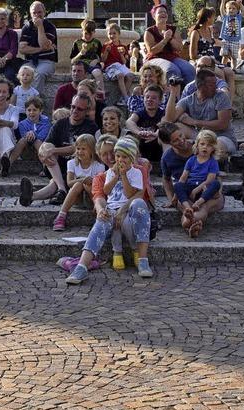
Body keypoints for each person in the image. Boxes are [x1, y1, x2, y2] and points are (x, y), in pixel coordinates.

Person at [65, 137, 153, 284]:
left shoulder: (138, 170)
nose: (113, 158)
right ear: (98, 154)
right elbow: (100, 196)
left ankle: (143, 260)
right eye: (106, 154)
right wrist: (101, 210)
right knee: (102, 218)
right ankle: (81, 267)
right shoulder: (104, 176)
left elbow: (138, 194)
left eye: (115, 153)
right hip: (111, 209)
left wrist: (123, 210)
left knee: (139, 203)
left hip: (131, 213)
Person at [20, 93, 99, 207]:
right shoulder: (61, 123)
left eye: (80, 109)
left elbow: (79, 148)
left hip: (77, 168)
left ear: (87, 111)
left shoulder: (91, 126)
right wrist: (43, 152)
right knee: (47, 147)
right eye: (73, 107)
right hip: (56, 166)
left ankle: (32, 196)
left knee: (55, 182)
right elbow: (46, 144)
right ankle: (62, 190)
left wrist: (53, 151)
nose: (75, 111)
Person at [165, 68, 237, 163]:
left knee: (215, 147)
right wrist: (173, 93)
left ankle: (206, 167)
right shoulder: (188, 100)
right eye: (211, 84)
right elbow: (169, 119)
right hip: (200, 137)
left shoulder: (221, 96)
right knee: (175, 129)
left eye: (215, 83)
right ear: (200, 86)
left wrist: (195, 122)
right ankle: (170, 164)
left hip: (222, 137)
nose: (215, 87)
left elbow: (223, 124)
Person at [174, 130, 222, 238]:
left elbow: (210, 180)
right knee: (177, 185)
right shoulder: (191, 160)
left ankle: (198, 204)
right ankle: (188, 209)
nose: (205, 147)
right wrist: (175, 194)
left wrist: (198, 190)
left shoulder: (212, 162)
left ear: (213, 148)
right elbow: (183, 178)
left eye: (209, 145)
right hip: (190, 186)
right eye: (202, 144)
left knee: (215, 184)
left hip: (204, 189)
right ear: (197, 145)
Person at [52, 134, 105, 231]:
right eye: (78, 148)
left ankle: (98, 212)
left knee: (89, 183)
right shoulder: (71, 163)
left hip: (91, 198)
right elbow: (69, 183)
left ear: (92, 150)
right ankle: (61, 216)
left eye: (83, 149)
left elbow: (100, 187)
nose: (80, 152)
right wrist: (82, 180)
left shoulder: (99, 166)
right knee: (79, 183)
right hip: (77, 199)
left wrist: (90, 181)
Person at [188, 9, 236, 99]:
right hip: (201, 62)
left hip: (213, 61)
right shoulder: (196, 33)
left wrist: (228, 46)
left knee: (230, 73)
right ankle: (221, 101)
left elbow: (216, 42)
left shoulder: (210, 30)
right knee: (220, 73)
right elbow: (192, 55)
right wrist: (208, 59)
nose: (214, 19)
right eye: (213, 17)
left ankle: (229, 103)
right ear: (208, 18)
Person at [144, 4, 195, 85]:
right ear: (154, 16)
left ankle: (189, 95)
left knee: (189, 69)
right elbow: (152, 51)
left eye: (165, 12)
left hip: (172, 57)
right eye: (160, 12)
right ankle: (172, 96)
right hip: (155, 58)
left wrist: (170, 38)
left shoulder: (173, 29)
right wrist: (165, 39)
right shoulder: (149, 31)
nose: (163, 14)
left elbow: (179, 48)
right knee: (172, 70)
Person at [19, 1, 58, 94]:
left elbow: (43, 44)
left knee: (39, 74)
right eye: (34, 12)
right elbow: (22, 49)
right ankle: (22, 100)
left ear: (44, 13)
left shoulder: (50, 27)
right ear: (30, 14)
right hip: (30, 61)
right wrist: (41, 49)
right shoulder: (26, 27)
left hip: (47, 61)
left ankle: (33, 102)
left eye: (39, 12)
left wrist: (40, 27)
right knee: (22, 73)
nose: (37, 15)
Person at [158, 122, 194, 209]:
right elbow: (166, 179)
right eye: (175, 140)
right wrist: (171, 199)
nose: (181, 141)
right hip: (184, 191)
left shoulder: (198, 147)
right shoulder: (167, 158)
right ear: (168, 143)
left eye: (181, 135)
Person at [126, 85, 166, 162]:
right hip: (142, 144)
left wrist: (156, 134)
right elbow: (129, 122)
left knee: (165, 137)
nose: (149, 100)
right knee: (129, 136)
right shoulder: (140, 112)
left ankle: (164, 165)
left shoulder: (162, 113)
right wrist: (139, 132)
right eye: (147, 97)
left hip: (157, 145)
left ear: (160, 100)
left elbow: (164, 124)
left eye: (154, 98)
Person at [9, 96, 51, 167]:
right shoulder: (22, 124)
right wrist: (29, 134)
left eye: (35, 110)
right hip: (26, 152)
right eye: (29, 110)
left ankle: (46, 167)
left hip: (41, 150)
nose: (31, 112)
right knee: (23, 140)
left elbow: (42, 137)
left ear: (40, 111)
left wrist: (33, 133)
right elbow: (24, 136)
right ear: (25, 111)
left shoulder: (46, 123)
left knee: (37, 141)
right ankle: (8, 164)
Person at [101, 22, 133, 105]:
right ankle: (126, 98)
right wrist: (107, 52)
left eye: (114, 33)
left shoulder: (123, 47)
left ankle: (122, 98)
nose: (112, 36)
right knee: (120, 75)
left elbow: (124, 62)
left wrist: (122, 54)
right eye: (110, 34)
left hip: (120, 65)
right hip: (110, 67)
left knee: (130, 76)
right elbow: (103, 60)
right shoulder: (106, 45)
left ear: (119, 34)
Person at [70, 19, 105, 97]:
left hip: (93, 65)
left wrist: (97, 61)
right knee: (82, 75)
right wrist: (80, 53)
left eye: (90, 34)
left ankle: (101, 94)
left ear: (94, 32)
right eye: (85, 33)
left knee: (98, 73)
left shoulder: (97, 42)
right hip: (81, 65)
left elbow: (101, 58)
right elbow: (72, 61)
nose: (88, 36)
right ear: (82, 31)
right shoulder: (77, 43)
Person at [219, 0, 244, 68]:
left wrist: (240, 4)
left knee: (234, 57)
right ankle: (223, 67)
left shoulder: (238, 17)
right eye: (229, 8)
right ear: (226, 9)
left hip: (235, 40)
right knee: (225, 56)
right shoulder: (226, 17)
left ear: (237, 10)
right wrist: (223, 2)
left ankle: (234, 69)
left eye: (234, 8)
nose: (231, 10)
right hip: (226, 40)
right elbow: (221, 10)